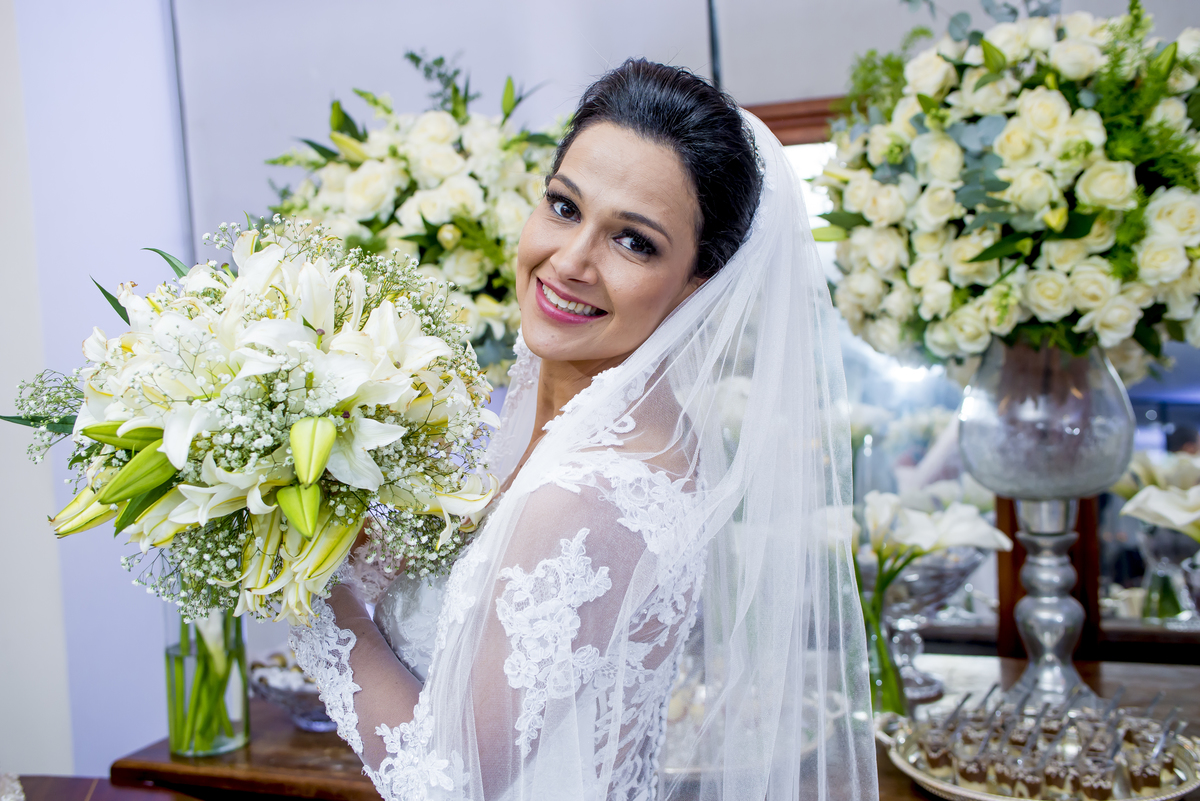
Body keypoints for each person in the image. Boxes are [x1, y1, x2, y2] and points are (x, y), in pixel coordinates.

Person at [291, 59, 877, 801]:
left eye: (634, 242)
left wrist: (304, 589)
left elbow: (448, 784)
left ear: (699, 282)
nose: (569, 262)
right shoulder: (583, 416)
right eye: (565, 207)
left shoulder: (595, 487)